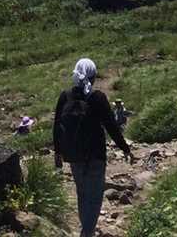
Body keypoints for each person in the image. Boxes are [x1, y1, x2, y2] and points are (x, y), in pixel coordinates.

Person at [53, 58, 133, 237]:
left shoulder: (65, 96)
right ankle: (87, 233)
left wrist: (58, 153)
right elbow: (111, 126)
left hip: (74, 156)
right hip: (96, 155)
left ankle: (87, 230)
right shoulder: (97, 97)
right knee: (95, 197)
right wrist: (125, 148)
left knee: (82, 195)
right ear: (94, 77)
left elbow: (57, 126)